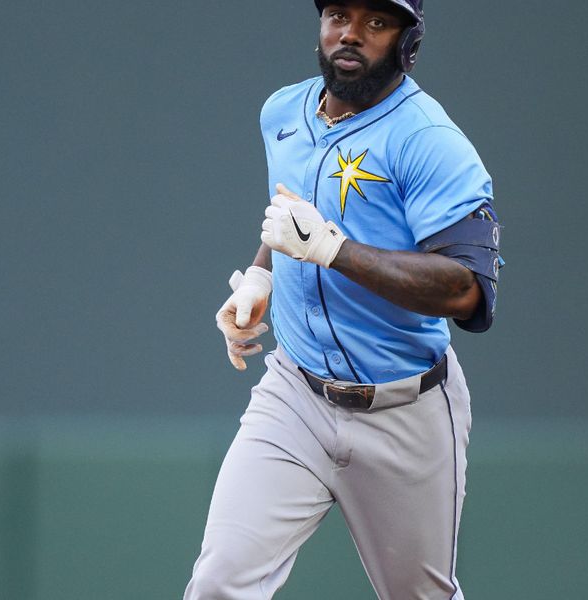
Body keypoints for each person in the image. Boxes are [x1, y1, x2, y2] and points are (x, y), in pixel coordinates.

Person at [184, 1, 502, 598]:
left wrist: (336, 252)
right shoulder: (283, 110)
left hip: (403, 408)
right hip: (294, 395)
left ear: (408, 40)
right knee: (219, 584)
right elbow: (292, 224)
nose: (350, 33)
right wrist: (262, 278)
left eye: (377, 22)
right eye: (337, 14)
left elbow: (467, 288)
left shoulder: (429, 139)